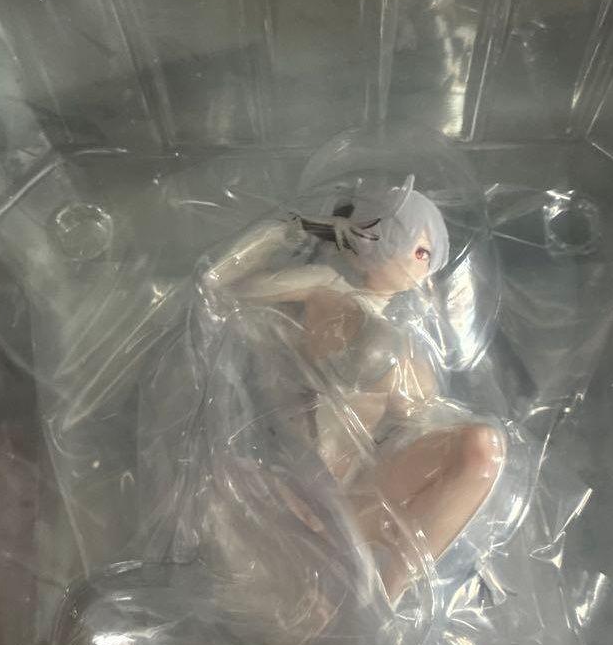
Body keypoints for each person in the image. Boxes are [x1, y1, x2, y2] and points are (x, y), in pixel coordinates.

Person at [203, 175, 506, 596]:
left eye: (428, 255)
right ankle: (351, 571)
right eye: (419, 249)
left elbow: (413, 420)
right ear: (372, 237)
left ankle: (392, 587)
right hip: (310, 491)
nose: (423, 265)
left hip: (364, 491)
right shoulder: (325, 288)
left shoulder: (409, 339)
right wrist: (293, 228)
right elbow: (220, 287)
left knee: (483, 448)